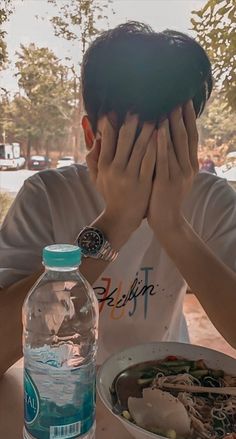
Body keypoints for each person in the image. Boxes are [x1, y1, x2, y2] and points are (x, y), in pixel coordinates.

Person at [0, 22, 236, 376]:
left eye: (170, 139)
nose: (149, 162)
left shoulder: (211, 199)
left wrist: (172, 225)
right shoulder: (47, 195)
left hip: (163, 388)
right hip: (64, 390)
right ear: (91, 135)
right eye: (133, 143)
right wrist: (116, 223)